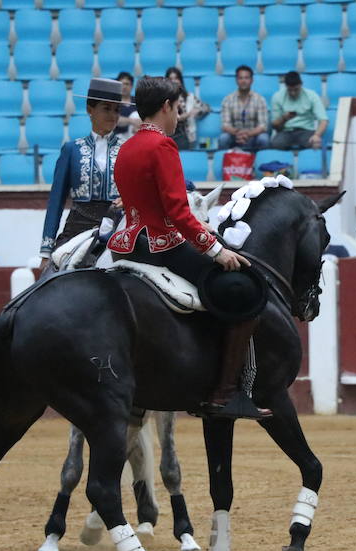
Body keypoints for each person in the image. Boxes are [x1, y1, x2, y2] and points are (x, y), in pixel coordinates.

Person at [108, 76, 269, 420]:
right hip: (160, 246)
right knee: (242, 288)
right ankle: (226, 392)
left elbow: (144, 203)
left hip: (128, 245)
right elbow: (178, 213)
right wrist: (216, 250)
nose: (179, 116)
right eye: (178, 109)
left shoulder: (126, 146)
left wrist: (200, 226)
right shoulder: (162, 146)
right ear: (166, 106)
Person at [40, 78, 129, 269]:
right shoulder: (72, 150)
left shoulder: (128, 149)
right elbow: (56, 201)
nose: (113, 115)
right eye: (106, 108)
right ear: (90, 109)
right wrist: (46, 250)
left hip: (118, 227)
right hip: (77, 227)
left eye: (116, 110)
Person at [270, 70, 328, 150]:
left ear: (301, 84)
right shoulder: (277, 97)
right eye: (290, 90)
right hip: (286, 131)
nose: (293, 93)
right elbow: (274, 125)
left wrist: (317, 135)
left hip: (306, 131)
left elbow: (324, 120)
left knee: (314, 143)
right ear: (286, 86)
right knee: (276, 144)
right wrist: (283, 118)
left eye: (296, 89)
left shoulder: (312, 95)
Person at [219, 65, 270, 151]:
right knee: (223, 138)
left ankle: (261, 162)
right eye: (240, 78)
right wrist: (237, 133)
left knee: (264, 139)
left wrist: (248, 134)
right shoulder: (228, 99)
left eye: (246, 78)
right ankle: (226, 163)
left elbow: (263, 126)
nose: (243, 81)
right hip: (235, 137)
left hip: (254, 137)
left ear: (252, 80)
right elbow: (225, 125)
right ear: (236, 80)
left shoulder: (260, 99)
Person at [165, 66, 210, 150]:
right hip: (167, 135)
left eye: (176, 78)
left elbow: (206, 107)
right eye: (171, 79)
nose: (174, 81)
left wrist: (198, 111)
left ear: (181, 80)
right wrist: (187, 114)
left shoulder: (189, 97)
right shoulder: (163, 99)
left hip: (186, 136)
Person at [113, 71, 141, 142]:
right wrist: (131, 121)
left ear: (131, 86)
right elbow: (115, 120)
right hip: (118, 138)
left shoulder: (138, 101)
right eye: (121, 84)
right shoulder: (113, 102)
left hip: (137, 137)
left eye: (127, 84)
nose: (124, 87)